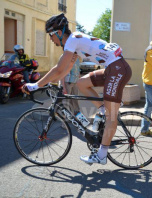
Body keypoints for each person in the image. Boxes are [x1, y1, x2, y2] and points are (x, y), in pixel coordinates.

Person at [22, 13, 132, 165]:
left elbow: (58, 68)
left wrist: (35, 85)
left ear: (59, 33)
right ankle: (101, 110)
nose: (50, 40)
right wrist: (54, 83)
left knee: (111, 115)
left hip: (118, 69)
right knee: (82, 83)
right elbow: (65, 69)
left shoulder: (72, 40)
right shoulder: (74, 43)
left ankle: (101, 155)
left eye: (51, 35)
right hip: (113, 68)